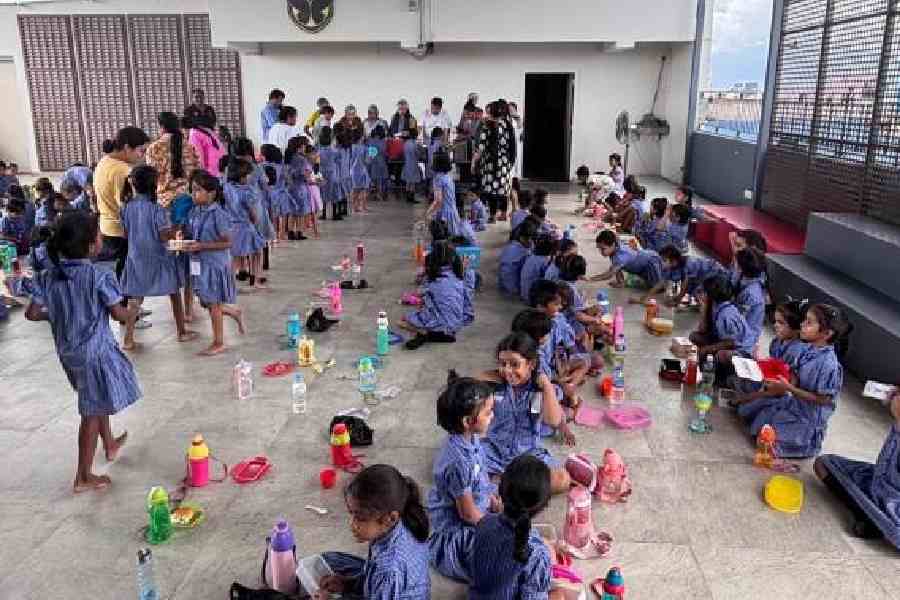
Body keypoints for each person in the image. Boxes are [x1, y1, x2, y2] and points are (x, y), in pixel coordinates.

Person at [23, 211, 137, 493]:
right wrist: (132, 311)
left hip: (68, 353)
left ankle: (109, 443)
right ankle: (83, 476)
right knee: (91, 409)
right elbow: (119, 315)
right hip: (94, 354)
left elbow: (33, 313)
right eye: (98, 235)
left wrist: (59, 316)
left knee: (94, 398)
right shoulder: (99, 277)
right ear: (90, 246)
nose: (100, 239)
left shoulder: (49, 276)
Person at [735, 304, 849, 458]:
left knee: (763, 443)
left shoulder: (829, 365)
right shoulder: (807, 349)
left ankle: (808, 444)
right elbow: (794, 375)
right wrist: (778, 382)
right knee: (751, 421)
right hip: (793, 406)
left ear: (827, 333)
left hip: (807, 418)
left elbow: (823, 399)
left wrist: (789, 388)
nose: (802, 324)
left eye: (809, 322)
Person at [318, 465, 431, 600]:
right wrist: (348, 583)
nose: (352, 525)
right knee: (330, 559)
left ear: (390, 518)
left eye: (360, 518)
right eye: (352, 514)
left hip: (389, 587)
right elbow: (372, 569)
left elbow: (385, 572)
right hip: (386, 586)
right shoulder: (396, 521)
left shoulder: (389, 569)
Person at [427, 372, 499, 582]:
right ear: (468, 421)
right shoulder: (457, 462)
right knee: (492, 560)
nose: (492, 416)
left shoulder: (472, 439)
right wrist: (491, 527)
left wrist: (491, 497)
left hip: (477, 506)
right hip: (457, 528)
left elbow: (481, 472)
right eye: (488, 413)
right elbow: (467, 514)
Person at [477, 332, 570, 493]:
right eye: (502, 363)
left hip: (528, 455)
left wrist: (546, 385)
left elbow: (553, 421)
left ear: (531, 364)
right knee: (457, 467)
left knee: (561, 480)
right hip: (493, 451)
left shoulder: (539, 391)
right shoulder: (496, 385)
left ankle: (499, 482)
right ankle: (511, 485)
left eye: (514, 364)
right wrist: (484, 377)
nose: (507, 370)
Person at [467, 455, 563, 600]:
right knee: (561, 595)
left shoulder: (484, 523)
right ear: (543, 506)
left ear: (501, 490)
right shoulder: (537, 554)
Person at [120, 165, 194, 350]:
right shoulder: (157, 210)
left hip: (136, 257)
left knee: (134, 300)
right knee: (174, 293)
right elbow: (163, 236)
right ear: (154, 185)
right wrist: (175, 230)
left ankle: (128, 338)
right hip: (159, 257)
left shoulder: (126, 208)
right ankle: (181, 332)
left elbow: (125, 234)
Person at [815, 389, 900, 547]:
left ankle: (873, 519)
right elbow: (885, 466)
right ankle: (865, 514)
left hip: (894, 499)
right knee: (822, 464)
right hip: (876, 480)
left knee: (896, 534)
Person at [183, 170, 245, 356]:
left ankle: (219, 342)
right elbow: (192, 232)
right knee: (206, 302)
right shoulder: (195, 212)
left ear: (212, 193)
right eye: (192, 190)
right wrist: (183, 238)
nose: (194, 194)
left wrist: (202, 246)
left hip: (214, 264)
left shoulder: (218, 214)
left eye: (198, 190)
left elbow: (228, 242)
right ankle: (234, 313)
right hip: (200, 262)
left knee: (213, 303)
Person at [94, 127, 150, 308]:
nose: (141, 156)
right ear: (127, 147)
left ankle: (128, 309)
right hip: (121, 229)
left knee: (122, 269)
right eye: (140, 150)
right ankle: (127, 312)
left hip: (107, 225)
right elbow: (127, 206)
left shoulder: (104, 162)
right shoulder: (122, 170)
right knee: (128, 271)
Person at [400, 241, 475, 350]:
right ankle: (434, 333)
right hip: (459, 321)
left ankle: (427, 333)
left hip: (444, 322)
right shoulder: (459, 276)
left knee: (403, 320)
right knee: (431, 303)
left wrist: (410, 297)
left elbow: (419, 294)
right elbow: (468, 294)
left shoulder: (434, 281)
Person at [733, 299, 808, 404]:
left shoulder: (796, 351)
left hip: (780, 391)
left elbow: (783, 387)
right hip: (768, 380)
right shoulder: (777, 341)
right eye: (775, 321)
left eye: (781, 323)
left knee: (746, 408)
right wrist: (758, 360)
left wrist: (754, 395)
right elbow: (772, 366)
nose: (775, 325)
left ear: (796, 328)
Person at [688, 273, 754, 363]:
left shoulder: (726, 314)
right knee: (694, 336)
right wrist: (704, 307)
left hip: (741, 348)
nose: (700, 295)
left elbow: (731, 342)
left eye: (703, 292)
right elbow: (702, 330)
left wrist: (708, 349)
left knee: (721, 355)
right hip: (722, 339)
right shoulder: (713, 305)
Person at [224, 158, 266, 289]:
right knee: (257, 252)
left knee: (233, 257)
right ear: (241, 176)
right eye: (248, 174)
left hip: (229, 227)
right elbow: (252, 213)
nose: (249, 177)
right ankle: (256, 280)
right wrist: (254, 221)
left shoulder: (225, 188)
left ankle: (229, 284)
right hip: (245, 226)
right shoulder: (245, 192)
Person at [474, 100, 517, 223]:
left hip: (490, 164)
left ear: (491, 112)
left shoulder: (487, 126)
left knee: (491, 190)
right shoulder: (508, 125)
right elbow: (512, 145)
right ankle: (503, 214)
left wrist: (474, 162)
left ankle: (492, 216)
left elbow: (481, 148)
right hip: (505, 163)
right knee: (503, 190)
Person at [642, 244, 726, 306]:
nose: (662, 263)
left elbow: (684, 286)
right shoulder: (671, 268)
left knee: (699, 293)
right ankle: (704, 303)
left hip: (715, 273)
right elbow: (661, 283)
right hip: (701, 278)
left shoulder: (689, 264)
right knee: (694, 291)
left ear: (673, 260)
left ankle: (707, 309)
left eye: (664, 260)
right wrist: (645, 297)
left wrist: (676, 301)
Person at [425, 149, 476, 245]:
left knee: (442, 240)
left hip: (444, 214)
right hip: (453, 211)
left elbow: (438, 200)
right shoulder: (448, 176)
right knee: (452, 240)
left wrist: (429, 212)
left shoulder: (438, 178)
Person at [592, 229, 664, 289]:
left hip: (650, 261)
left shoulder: (620, 257)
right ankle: (623, 282)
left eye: (603, 249)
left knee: (656, 288)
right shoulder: (615, 248)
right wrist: (621, 282)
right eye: (599, 249)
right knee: (615, 266)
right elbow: (616, 267)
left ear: (613, 244)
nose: (601, 252)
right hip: (643, 260)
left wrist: (592, 279)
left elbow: (609, 274)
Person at [733, 248, 767, 352]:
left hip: (744, 340)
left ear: (740, 267)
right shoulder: (742, 277)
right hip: (736, 329)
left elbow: (743, 327)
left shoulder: (752, 295)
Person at [260, 144, 293, 240]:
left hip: (266, 194)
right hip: (281, 194)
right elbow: (289, 180)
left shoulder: (261, 166)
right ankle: (281, 234)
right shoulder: (281, 167)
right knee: (282, 215)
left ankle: (273, 234)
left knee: (271, 215)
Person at [499, 218, 538, 297]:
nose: (531, 242)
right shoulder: (523, 252)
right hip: (514, 288)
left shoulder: (512, 245)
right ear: (522, 238)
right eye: (530, 240)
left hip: (504, 283)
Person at [285, 136, 312, 240]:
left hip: (290, 188)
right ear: (299, 147)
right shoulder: (302, 159)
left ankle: (290, 232)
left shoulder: (288, 158)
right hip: (300, 187)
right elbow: (305, 174)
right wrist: (308, 174)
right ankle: (299, 232)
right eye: (304, 145)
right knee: (301, 212)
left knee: (292, 212)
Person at [519, 234, 558, 304]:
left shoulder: (531, 256)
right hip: (532, 299)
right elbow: (548, 276)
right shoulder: (544, 261)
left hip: (524, 294)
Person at [316, 128, 342, 220]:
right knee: (334, 194)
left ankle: (323, 214)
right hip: (332, 174)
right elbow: (339, 161)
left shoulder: (318, 152)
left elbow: (317, 163)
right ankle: (334, 214)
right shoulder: (335, 151)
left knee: (323, 193)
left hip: (322, 174)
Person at [349, 126, 371, 214]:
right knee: (364, 189)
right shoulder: (364, 148)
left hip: (353, 171)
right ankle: (363, 207)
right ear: (361, 137)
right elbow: (367, 161)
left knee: (355, 190)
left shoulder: (351, 147)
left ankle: (354, 207)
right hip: (362, 170)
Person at [366, 125, 390, 202]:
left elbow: (370, 153)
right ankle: (380, 194)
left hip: (372, 162)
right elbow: (384, 151)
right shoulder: (383, 141)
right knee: (381, 180)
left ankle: (372, 194)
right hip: (381, 162)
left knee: (373, 179)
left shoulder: (370, 140)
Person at [401, 127, 422, 204]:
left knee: (408, 182)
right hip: (413, 164)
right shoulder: (414, 144)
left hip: (406, 164)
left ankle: (407, 197)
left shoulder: (405, 143)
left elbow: (403, 153)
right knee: (413, 182)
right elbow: (417, 154)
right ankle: (412, 198)